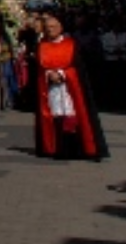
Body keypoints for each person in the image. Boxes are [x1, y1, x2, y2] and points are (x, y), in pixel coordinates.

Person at [32, 10, 105, 161]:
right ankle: (55, 148)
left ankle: (78, 149)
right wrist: (48, 75)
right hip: (50, 87)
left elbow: (78, 67)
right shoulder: (41, 46)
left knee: (74, 116)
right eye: (47, 27)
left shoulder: (72, 45)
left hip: (69, 88)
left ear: (61, 27)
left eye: (53, 26)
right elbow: (39, 69)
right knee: (54, 116)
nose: (50, 29)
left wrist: (62, 74)